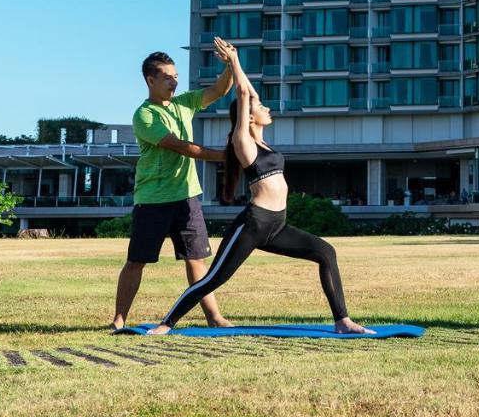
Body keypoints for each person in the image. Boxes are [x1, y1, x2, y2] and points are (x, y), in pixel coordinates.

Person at [146, 39, 372, 335]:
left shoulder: (263, 140)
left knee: (325, 251)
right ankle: (166, 323)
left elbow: (249, 92)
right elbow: (242, 93)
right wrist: (233, 64)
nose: (265, 106)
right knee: (214, 278)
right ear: (249, 117)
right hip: (254, 225)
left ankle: (342, 320)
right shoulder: (244, 141)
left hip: (278, 224)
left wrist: (237, 60)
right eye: (259, 106)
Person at [110, 42, 239, 331]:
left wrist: (231, 63)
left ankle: (214, 317)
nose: (175, 81)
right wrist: (225, 156)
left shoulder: (184, 102)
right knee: (136, 262)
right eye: (168, 77)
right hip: (153, 199)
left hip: (186, 197)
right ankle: (119, 319)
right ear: (150, 80)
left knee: (196, 260)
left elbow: (219, 90)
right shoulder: (144, 115)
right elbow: (179, 147)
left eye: (176, 76)